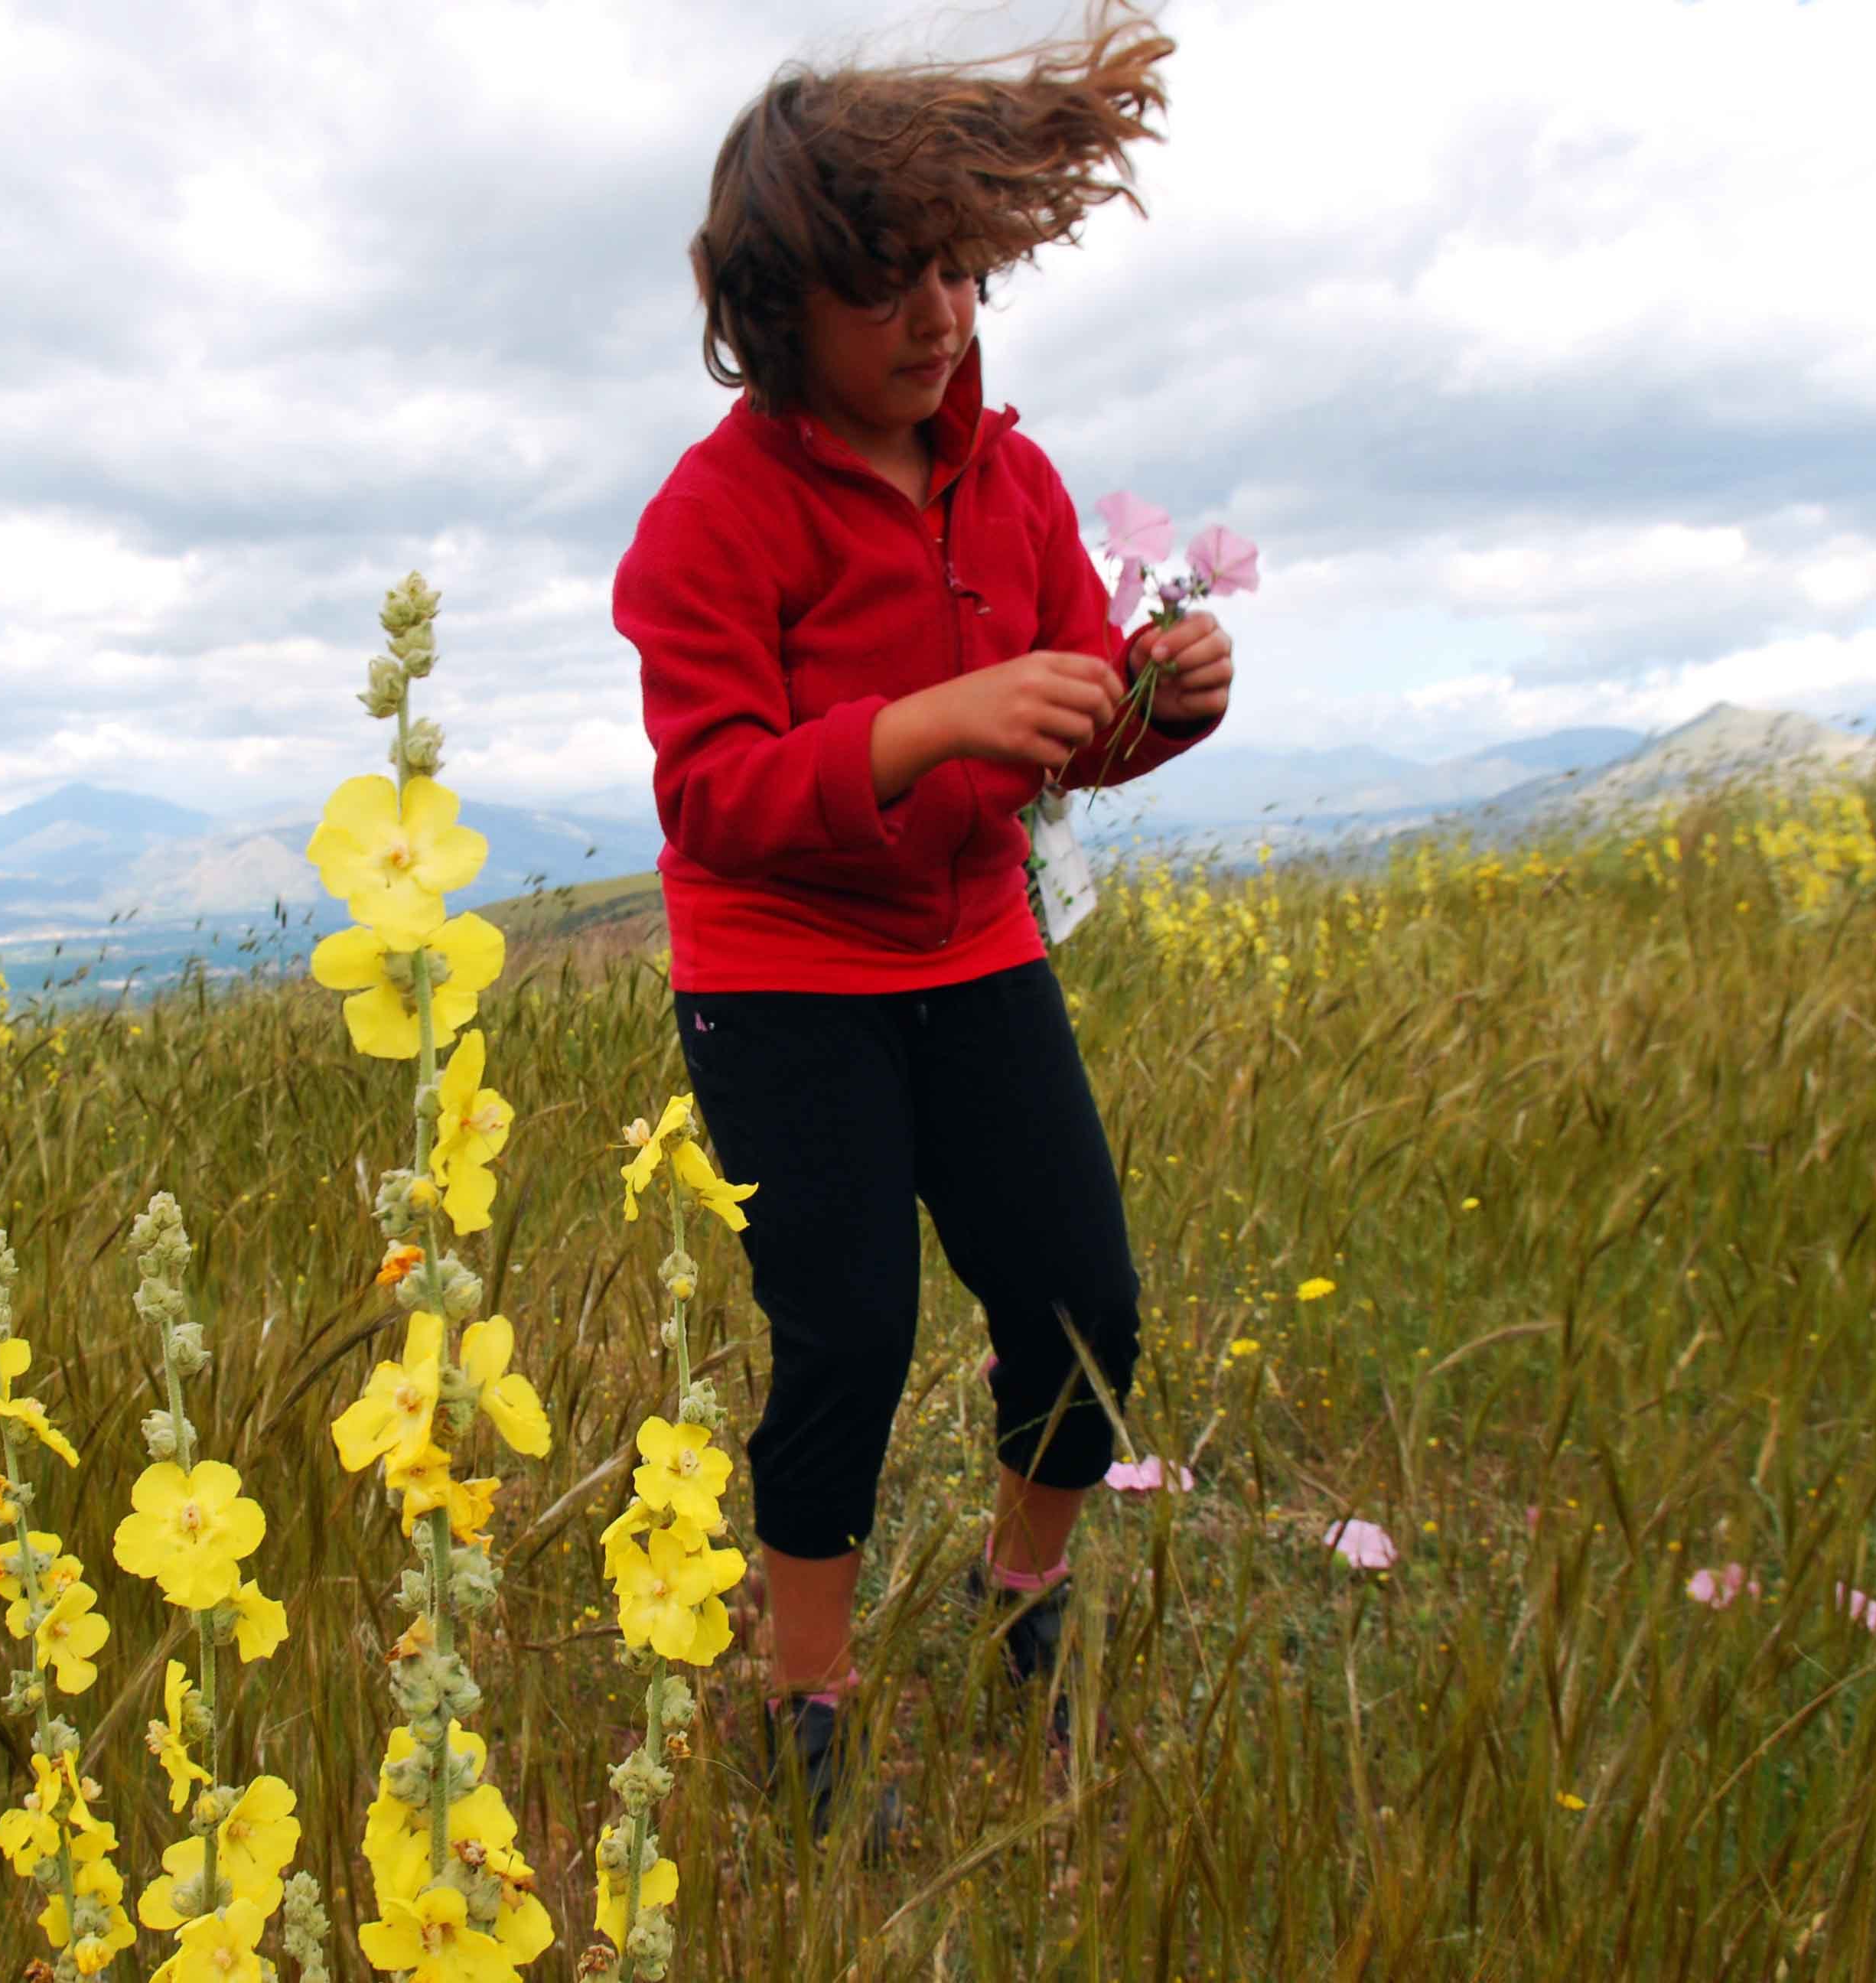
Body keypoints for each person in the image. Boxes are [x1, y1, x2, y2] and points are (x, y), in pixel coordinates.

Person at [607, 0, 1236, 1849]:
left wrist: (1158, 706)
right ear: (772, 309)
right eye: (885, 290)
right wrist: (921, 724)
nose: (936, 320)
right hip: (782, 987)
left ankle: (1019, 1602)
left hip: (977, 955)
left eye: (953, 276)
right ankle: (805, 1700)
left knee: (1081, 1308)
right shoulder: (706, 524)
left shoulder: (1012, 480)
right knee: (848, 1337)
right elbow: (712, 792)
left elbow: (1051, 759)